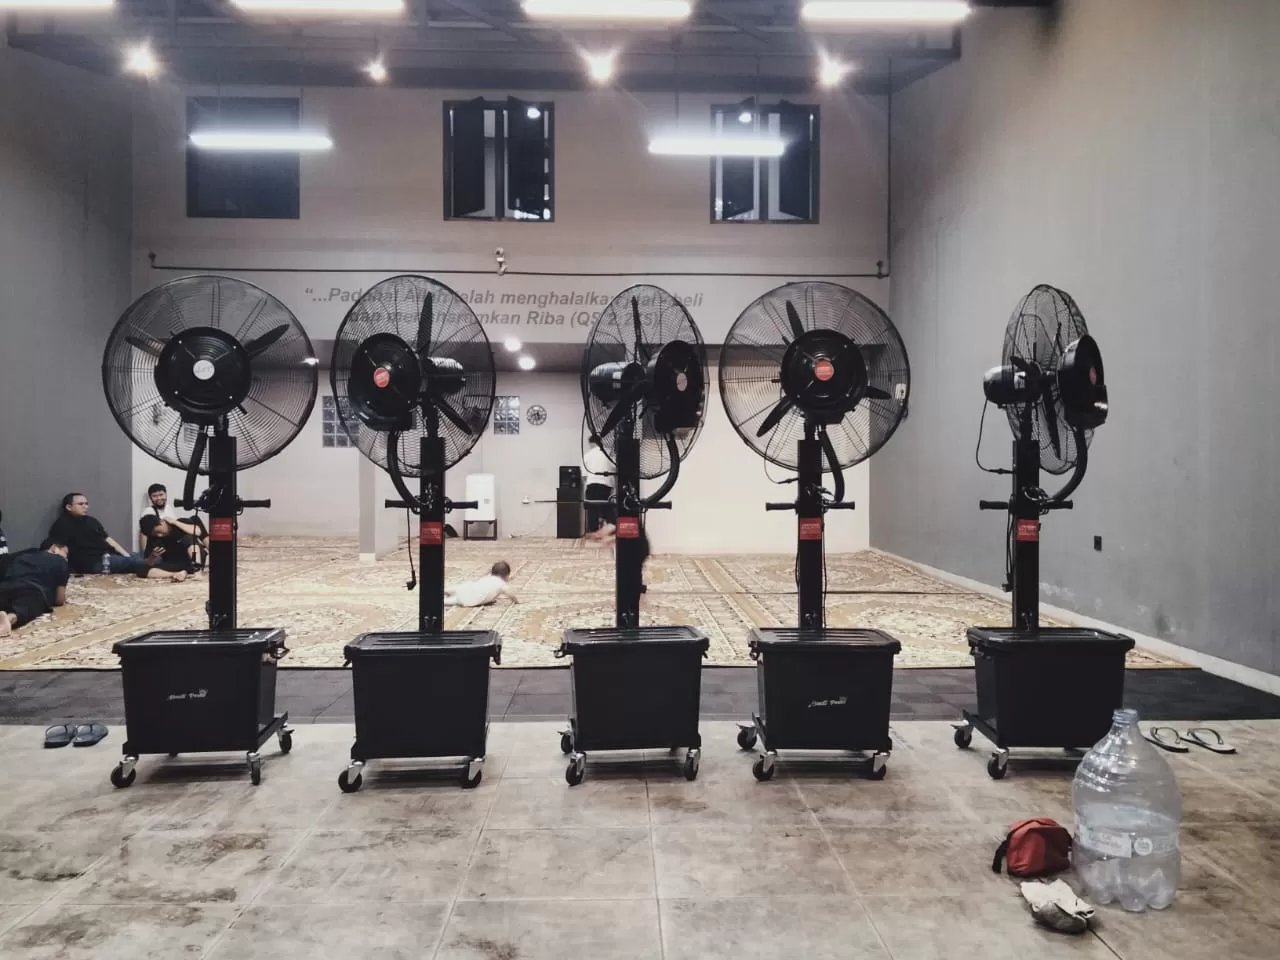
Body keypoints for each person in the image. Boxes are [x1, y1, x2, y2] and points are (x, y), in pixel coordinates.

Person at [47, 493, 181, 580]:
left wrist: (126, 555)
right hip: (94, 562)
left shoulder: (91, 521)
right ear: (69, 507)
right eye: (80, 504)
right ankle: (172, 571)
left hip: (108, 555)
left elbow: (108, 539)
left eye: (86, 503)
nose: (85, 506)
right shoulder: (63, 524)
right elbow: (59, 548)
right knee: (140, 563)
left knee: (136, 557)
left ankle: (156, 564)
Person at [0, 542, 69, 638]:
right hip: (32, 588)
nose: (66, 558)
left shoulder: (25, 554)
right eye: (65, 553)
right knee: (27, 606)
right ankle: (8, 619)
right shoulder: (60, 561)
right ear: (54, 548)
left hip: (6, 585)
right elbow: (59, 600)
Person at [582, 436, 616, 543]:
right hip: (605, 485)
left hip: (592, 484)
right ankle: (610, 530)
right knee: (606, 509)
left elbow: (584, 476)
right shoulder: (608, 454)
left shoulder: (587, 455)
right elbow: (615, 469)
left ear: (591, 443)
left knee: (592, 510)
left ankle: (594, 532)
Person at [444, 560, 519, 608]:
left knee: (456, 589)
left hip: (466, 588)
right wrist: (516, 601)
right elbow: (511, 594)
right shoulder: (501, 584)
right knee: (450, 601)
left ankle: (446, 590)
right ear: (506, 576)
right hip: (468, 599)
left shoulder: (489, 577)